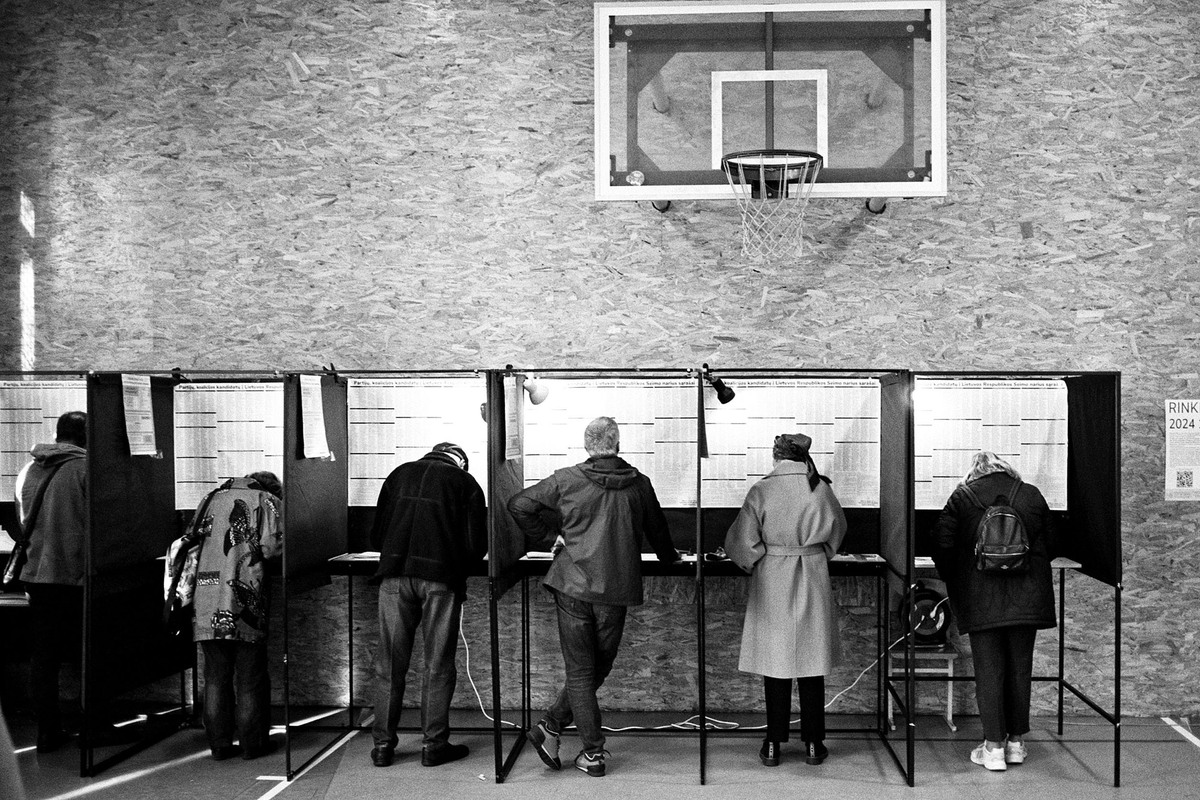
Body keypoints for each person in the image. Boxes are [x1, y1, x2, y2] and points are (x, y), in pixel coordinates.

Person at [507, 416, 680, 778]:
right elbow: (659, 533)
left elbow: (520, 504)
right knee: (593, 669)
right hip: (614, 590)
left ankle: (551, 726)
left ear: (588, 446)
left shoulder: (567, 479)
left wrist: (549, 537)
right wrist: (673, 560)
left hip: (571, 584)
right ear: (617, 443)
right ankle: (592, 752)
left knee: (586, 671)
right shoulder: (639, 484)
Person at [723, 432, 847, 768]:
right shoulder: (820, 487)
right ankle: (813, 744)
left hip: (773, 577)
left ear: (776, 456)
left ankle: (773, 743)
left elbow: (742, 542)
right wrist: (818, 553)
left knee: (775, 665)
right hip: (812, 575)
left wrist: (759, 556)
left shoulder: (762, 489)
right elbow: (837, 531)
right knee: (812, 663)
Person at [930, 451, 1057, 772]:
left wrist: (957, 580)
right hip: (1026, 600)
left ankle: (993, 748)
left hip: (980, 599)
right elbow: (1053, 543)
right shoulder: (1030, 494)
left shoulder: (962, 497)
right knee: (1018, 670)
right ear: (1007, 470)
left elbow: (941, 547)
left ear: (975, 473)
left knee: (989, 672)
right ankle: (1015, 743)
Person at [368, 442, 487, 769]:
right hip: (440, 581)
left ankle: (382, 746)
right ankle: (433, 745)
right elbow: (476, 547)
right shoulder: (466, 483)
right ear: (460, 461)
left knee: (389, 664)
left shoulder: (398, 475)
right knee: (437, 663)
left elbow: (376, 537)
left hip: (394, 577)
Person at [190, 471, 283, 761]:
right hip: (244, 602)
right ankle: (251, 745)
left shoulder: (209, 499)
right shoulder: (265, 500)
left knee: (216, 675)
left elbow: (192, 541)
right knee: (250, 676)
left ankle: (219, 744)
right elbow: (271, 548)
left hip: (206, 599)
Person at [13, 411, 88, 753]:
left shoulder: (28, 470)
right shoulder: (86, 470)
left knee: (44, 657)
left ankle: (47, 729)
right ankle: (93, 726)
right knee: (90, 652)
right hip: (75, 577)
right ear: (85, 437)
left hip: (37, 577)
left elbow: (22, 520)